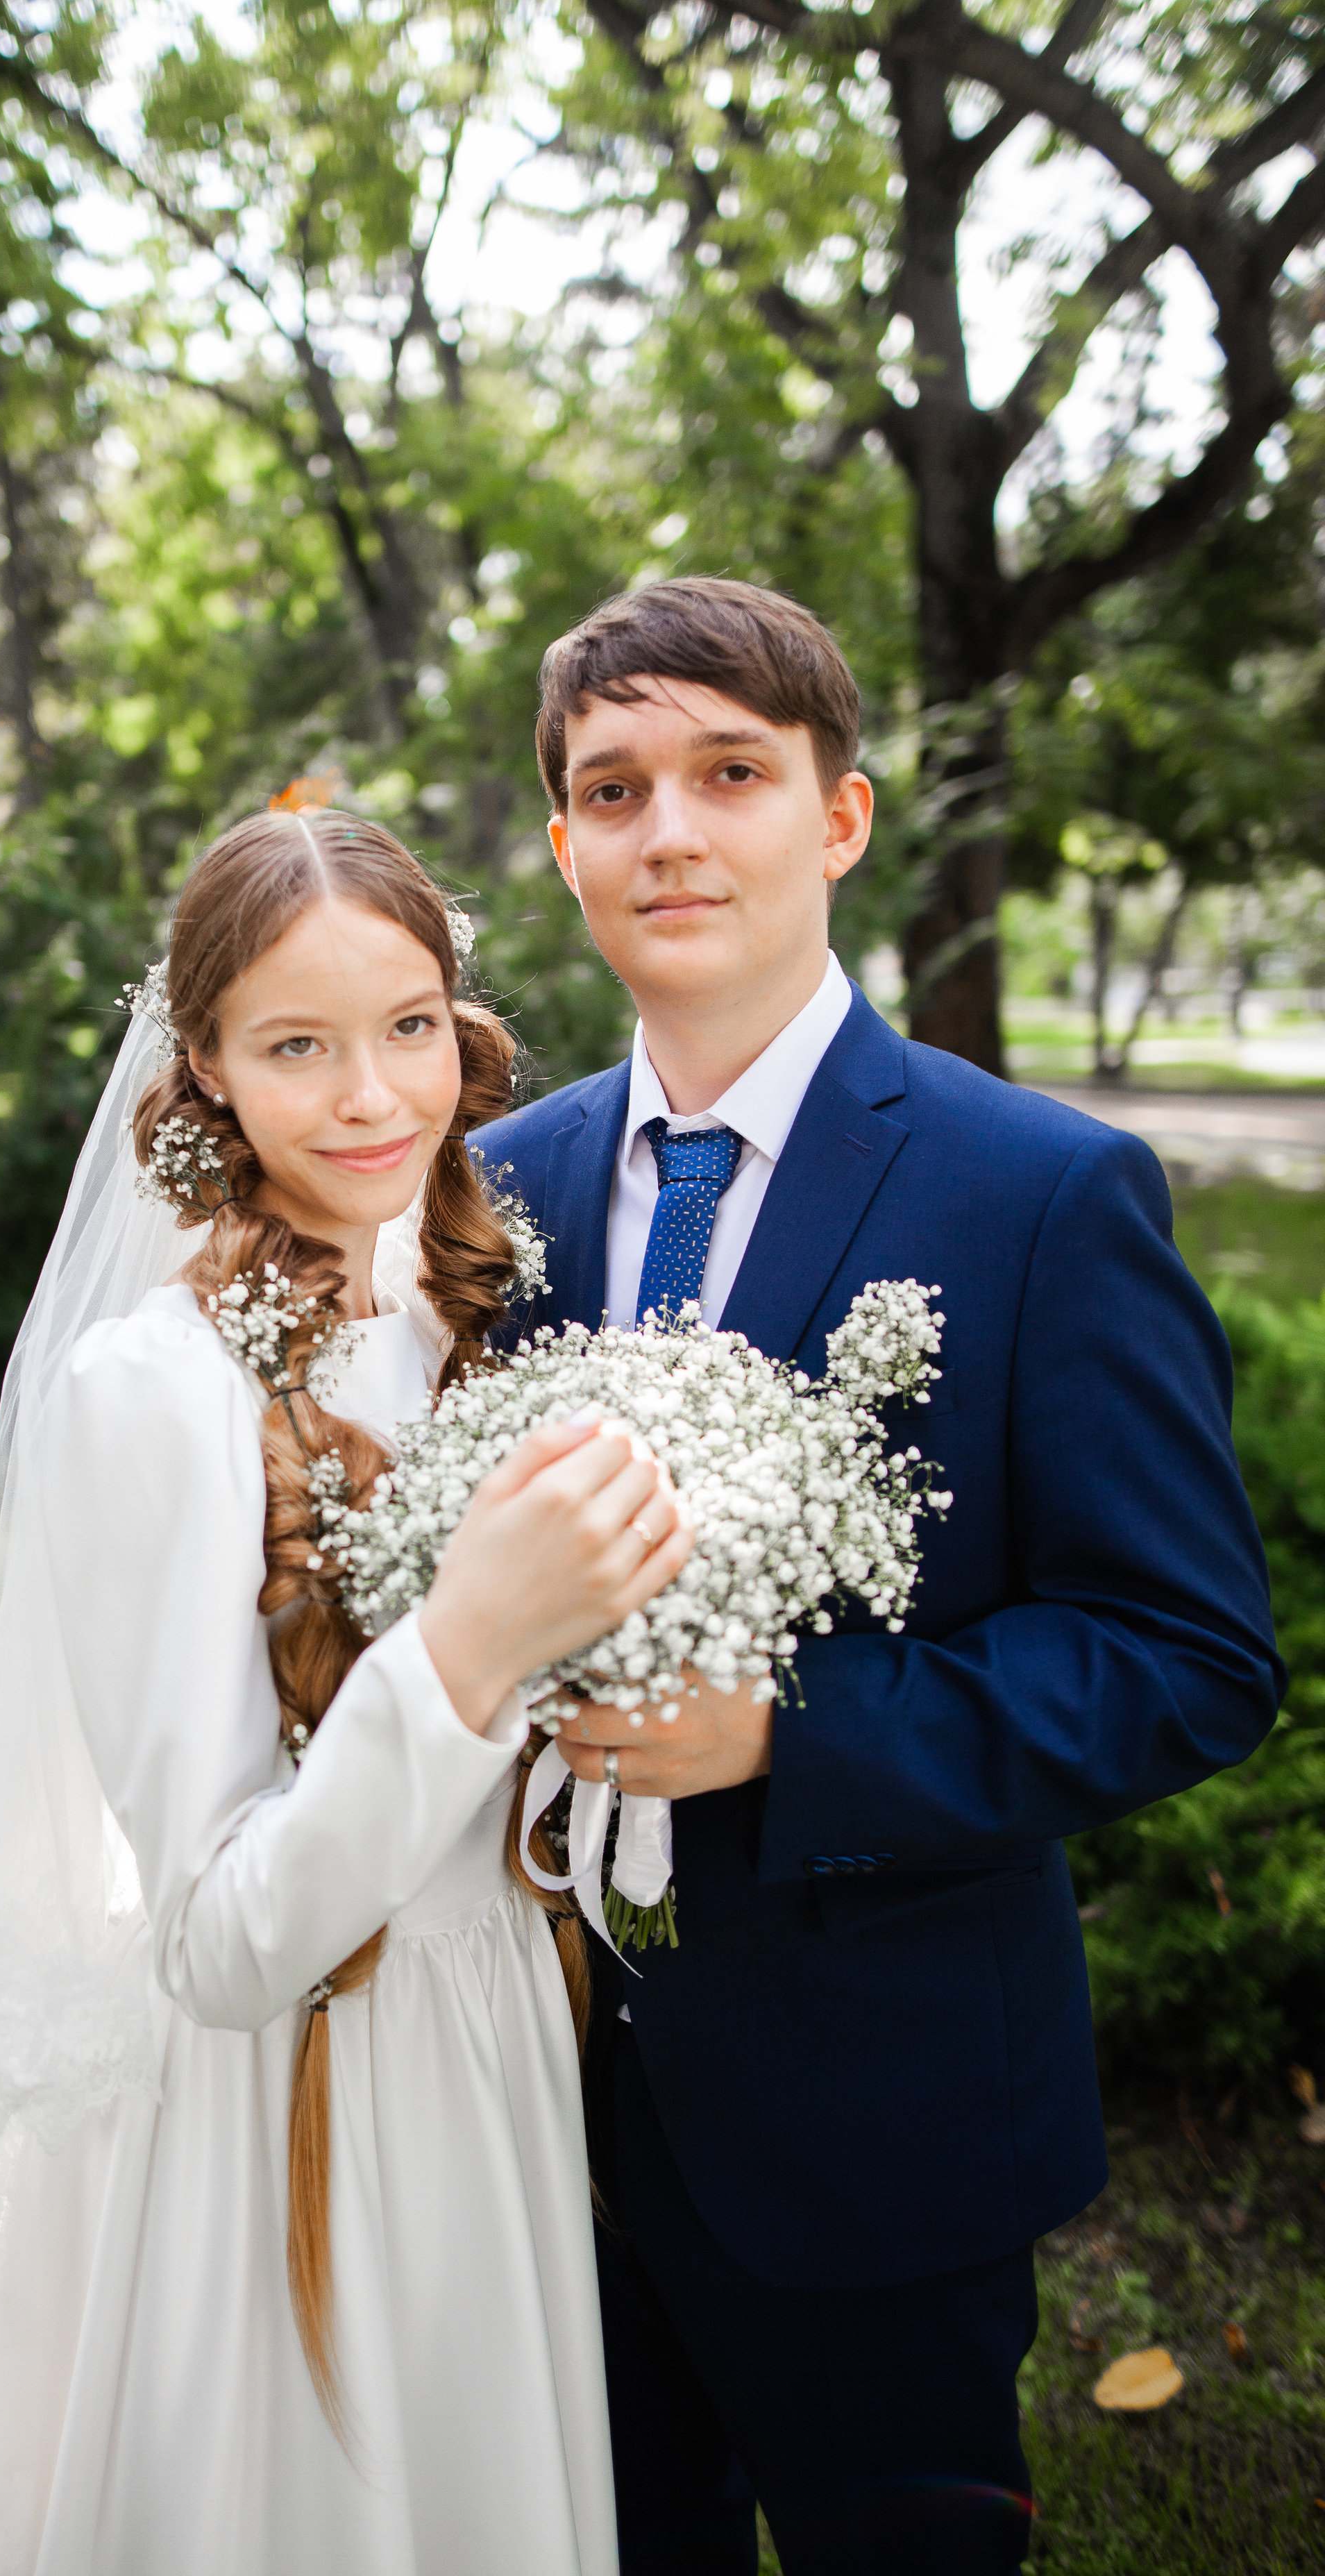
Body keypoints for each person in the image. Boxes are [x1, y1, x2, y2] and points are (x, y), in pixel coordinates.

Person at [469, 577, 1284, 2576]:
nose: (671, 830)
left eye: (730, 774)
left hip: (876, 2127)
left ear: (837, 816)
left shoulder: (1036, 1192)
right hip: (531, 2112)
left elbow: (1186, 1652)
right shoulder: (499, 1189)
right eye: (613, 786)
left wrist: (788, 1734)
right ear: (564, 840)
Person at [0, 809, 693, 2576]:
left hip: (485, 2042)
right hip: (305, 2092)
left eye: (405, 1027)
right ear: (207, 1074)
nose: (371, 1095)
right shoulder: (148, 1391)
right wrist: (471, 1644)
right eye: (293, 1047)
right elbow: (225, 1941)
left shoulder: (463, 1307)